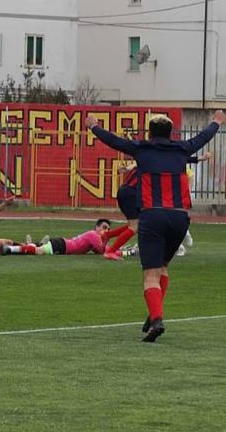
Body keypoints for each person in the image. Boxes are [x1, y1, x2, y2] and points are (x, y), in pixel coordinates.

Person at [87, 110, 225, 342]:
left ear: (150, 133)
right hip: (180, 218)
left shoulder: (143, 149)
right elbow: (204, 137)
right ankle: (154, 314)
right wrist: (217, 121)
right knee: (163, 267)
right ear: (170, 133)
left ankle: (157, 319)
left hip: (153, 217)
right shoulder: (182, 149)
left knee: (150, 275)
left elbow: (114, 141)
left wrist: (94, 127)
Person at [104, 152, 213, 260]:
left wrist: (127, 168)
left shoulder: (147, 157)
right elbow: (180, 159)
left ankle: (107, 236)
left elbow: (135, 165)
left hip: (125, 191)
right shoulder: (159, 163)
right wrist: (201, 158)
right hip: (131, 193)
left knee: (138, 223)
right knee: (135, 226)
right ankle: (111, 251)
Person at [3, 219, 112, 256]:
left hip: (62, 244)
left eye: (108, 229)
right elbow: (103, 250)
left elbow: (99, 250)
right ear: (97, 227)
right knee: (38, 252)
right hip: (62, 245)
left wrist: (118, 250)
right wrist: (108, 239)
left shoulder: (93, 236)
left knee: (34, 248)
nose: (106, 231)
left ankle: (29, 244)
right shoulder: (93, 235)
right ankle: (10, 249)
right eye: (104, 227)